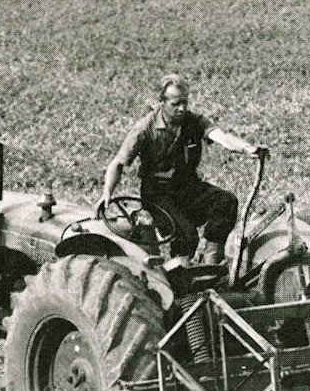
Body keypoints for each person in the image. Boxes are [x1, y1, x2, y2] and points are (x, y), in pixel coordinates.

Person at [100, 74, 264, 264]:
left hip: (187, 187)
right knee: (186, 235)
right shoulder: (145, 129)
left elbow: (222, 137)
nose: (182, 108)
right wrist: (107, 192)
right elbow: (118, 163)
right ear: (162, 102)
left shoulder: (194, 121)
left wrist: (247, 148)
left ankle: (211, 265)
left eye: (185, 102)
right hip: (158, 194)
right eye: (176, 103)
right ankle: (180, 274)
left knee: (225, 202)